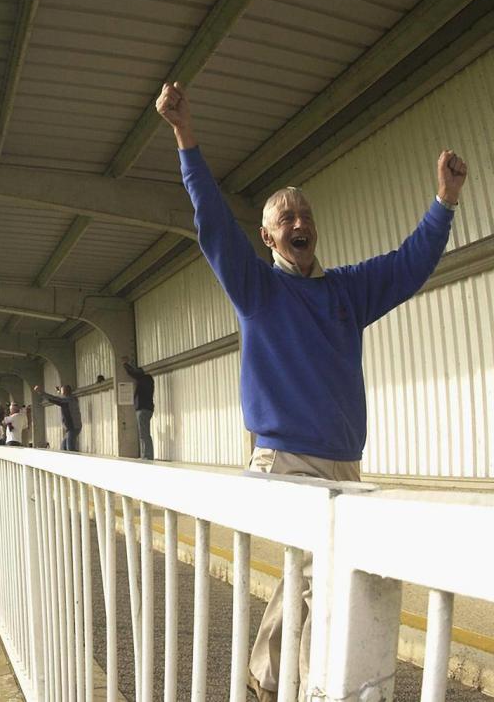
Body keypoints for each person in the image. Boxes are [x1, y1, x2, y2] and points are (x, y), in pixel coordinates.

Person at [155, 81, 468, 701]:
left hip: (343, 462)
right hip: (285, 459)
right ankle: (294, 687)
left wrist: (445, 202)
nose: (299, 223)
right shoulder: (257, 287)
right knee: (322, 571)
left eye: (305, 216)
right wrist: (185, 135)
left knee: (315, 576)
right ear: (269, 239)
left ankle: (261, 679)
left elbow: (408, 265)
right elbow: (214, 224)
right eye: (284, 219)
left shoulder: (346, 290)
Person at [32, 384, 82, 451]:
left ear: (65, 392)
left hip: (72, 427)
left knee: (70, 448)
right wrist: (59, 391)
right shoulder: (72, 398)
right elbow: (62, 396)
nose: (61, 393)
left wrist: (40, 392)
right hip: (73, 427)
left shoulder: (66, 401)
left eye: (62, 391)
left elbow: (53, 399)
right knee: (63, 448)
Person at [123, 359, 155, 460]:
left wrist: (125, 363)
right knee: (145, 434)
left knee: (144, 434)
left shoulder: (144, 379)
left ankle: (147, 456)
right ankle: (146, 455)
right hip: (147, 409)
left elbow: (132, 373)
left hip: (142, 409)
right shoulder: (147, 380)